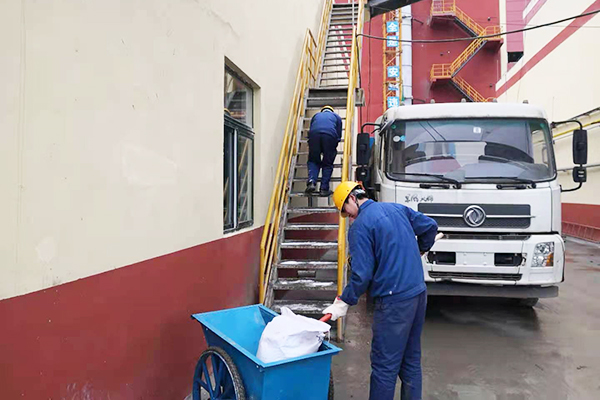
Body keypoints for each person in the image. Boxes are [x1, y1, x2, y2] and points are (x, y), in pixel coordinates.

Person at [323, 181, 439, 400]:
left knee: (385, 366)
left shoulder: (360, 227)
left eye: (347, 212)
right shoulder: (396, 208)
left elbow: (362, 274)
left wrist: (344, 300)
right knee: (411, 361)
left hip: (393, 303)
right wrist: (421, 248)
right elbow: (430, 226)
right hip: (417, 293)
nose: (349, 218)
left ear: (352, 198)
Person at [305, 105, 342, 196]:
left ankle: (311, 182)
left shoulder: (316, 116)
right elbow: (338, 136)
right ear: (332, 111)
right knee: (327, 163)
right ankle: (324, 189)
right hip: (330, 136)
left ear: (322, 111)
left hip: (314, 136)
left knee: (313, 160)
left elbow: (311, 129)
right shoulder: (336, 117)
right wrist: (331, 149)